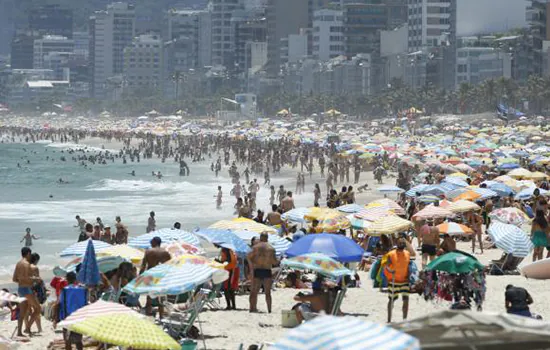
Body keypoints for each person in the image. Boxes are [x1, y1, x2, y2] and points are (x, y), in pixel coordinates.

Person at [140, 237, 171, 317]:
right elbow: (170, 265)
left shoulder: (149, 251)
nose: (150, 243)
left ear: (155, 242)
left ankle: (148, 313)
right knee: (161, 296)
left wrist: (140, 277)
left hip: (150, 274)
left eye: (151, 241)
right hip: (161, 276)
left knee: (149, 296)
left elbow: (143, 266)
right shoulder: (165, 252)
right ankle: (161, 316)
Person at [248, 232, 278, 313]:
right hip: (267, 270)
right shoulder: (271, 248)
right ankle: (269, 310)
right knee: (267, 292)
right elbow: (274, 262)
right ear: (267, 238)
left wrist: (252, 266)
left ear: (260, 238)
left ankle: (252, 308)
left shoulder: (255, 248)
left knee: (254, 291)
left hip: (257, 269)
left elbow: (249, 257)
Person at [384, 238, 411, 323]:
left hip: (405, 281)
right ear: (397, 243)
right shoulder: (391, 254)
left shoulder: (407, 253)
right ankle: (389, 320)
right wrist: (390, 271)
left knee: (406, 300)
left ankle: (404, 319)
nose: (402, 244)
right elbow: (386, 266)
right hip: (393, 281)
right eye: (400, 243)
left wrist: (409, 276)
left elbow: (408, 266)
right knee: (392, 300)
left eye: (403, 243)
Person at [12, 247, 37, 337]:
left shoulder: (18, 264)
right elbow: (28, 279)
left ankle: (19, 332)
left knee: (22, 312)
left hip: (20, 289)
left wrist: (22, 282)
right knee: (37, 309)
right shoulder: (26, 264)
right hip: (27, 289)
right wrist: (36, 279)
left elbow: (14, 279)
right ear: (28, 254)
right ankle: (27, 328)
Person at [59, 272, 86, 350]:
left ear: (67, 280)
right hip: (79, 317)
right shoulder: (82, 290)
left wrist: (56, 318)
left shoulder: (64, 290)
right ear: (75, 279)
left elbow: (60, 303)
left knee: (67, 341)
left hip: (67, 317)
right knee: (79, 340)